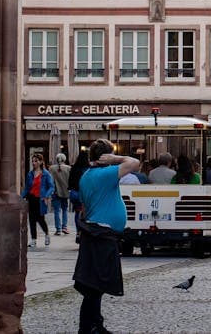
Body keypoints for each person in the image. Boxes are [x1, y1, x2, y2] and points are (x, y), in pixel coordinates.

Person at [74, 140, 139, 334]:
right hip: (102, 234)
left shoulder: (87, 175)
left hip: (95, 232)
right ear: (105, 157)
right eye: (110, 156)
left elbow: (84, 208)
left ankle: (93, 324)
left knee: (94, 284)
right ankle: (89, 327)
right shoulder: (105, 174)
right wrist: (117, 158)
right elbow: (134, 163)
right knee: (96, 284)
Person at [21, 153, 55, 248]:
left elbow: (51, 187)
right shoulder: (30, 174)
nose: (33, 163)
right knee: (31, 219)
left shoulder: (46, 174)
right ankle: (33, 240)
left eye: (36, 161)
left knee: (40, 219)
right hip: (31, 198)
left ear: (40, 162)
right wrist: (21, 197)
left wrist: (46, 196)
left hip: (40, 199)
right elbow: (27, 188)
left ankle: (47, 234)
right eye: (33, 161)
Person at [48, 153, 72, 237]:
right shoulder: (69, 168)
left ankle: (58, 229)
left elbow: (50, 181)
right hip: (65, 192)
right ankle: (64, 227)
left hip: (55, 192)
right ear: (64, 159)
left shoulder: (51, 168)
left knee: (56, 211)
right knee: (65, 210)